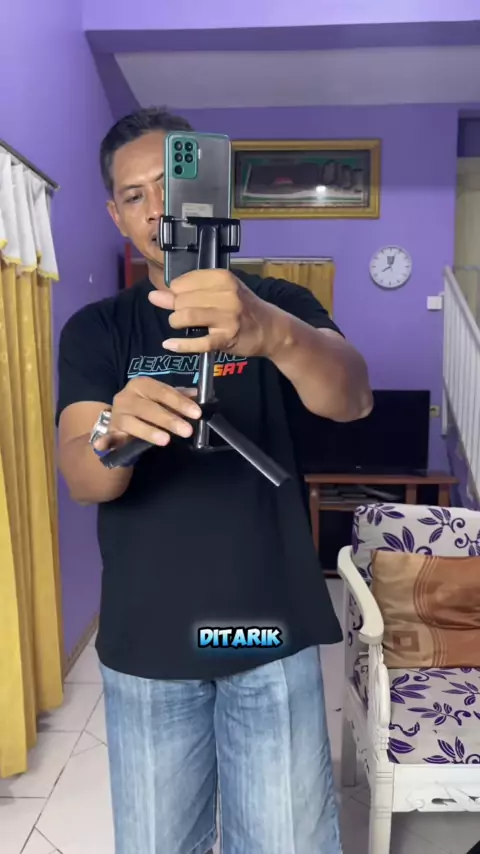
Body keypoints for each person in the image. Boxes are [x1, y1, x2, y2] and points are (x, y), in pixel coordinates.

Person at [56, 107, 372, 854]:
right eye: (134, 195)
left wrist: (273, 333)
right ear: (117, 215)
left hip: (271, 629)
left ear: (212, 194)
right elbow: (84, 476)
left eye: (170, 186)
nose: (155, 209)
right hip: (148, 641)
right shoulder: (97, 330)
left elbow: (352, 398)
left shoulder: (281, 303)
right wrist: (114, 433)